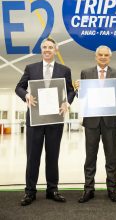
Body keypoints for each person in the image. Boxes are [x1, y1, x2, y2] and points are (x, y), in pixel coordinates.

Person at [15, 37, 75, 206]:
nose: (47, 50)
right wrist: (26, 95)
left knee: (52, 156)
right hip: (35, 119)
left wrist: (67, 102)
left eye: (50, 47)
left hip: (55, 119)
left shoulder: (64, 70)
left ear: (56, 50)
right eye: (44, 47)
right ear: (41, 50)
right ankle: (30, 191)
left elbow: (71, 91)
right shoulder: (31, 68)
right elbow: (19, 87)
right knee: (32, 156)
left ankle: (52, 189)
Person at [75, 45, 116, 203]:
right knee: (90, 157)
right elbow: (82, 96)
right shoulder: (86, 73)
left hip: (110, 121)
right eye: (100, 55)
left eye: (106, 55)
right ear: (95, 56)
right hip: (91, 121)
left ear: (109, 57)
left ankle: (112, 190)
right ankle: (88, 190)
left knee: (111, 157)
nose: (103, 57)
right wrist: (77, 89)